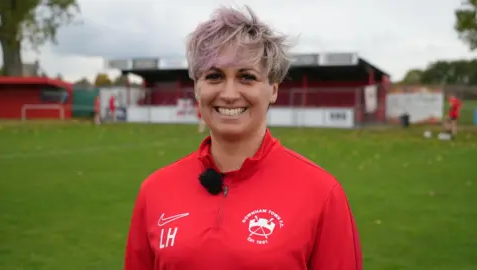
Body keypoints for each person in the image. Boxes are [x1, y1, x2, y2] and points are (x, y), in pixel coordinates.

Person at [124, 5, 362, 270]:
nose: (228, 93)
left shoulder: (323, 194)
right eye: (214, 76)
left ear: (273, 90)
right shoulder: (155, 190)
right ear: (196, 87)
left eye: (246, 77)